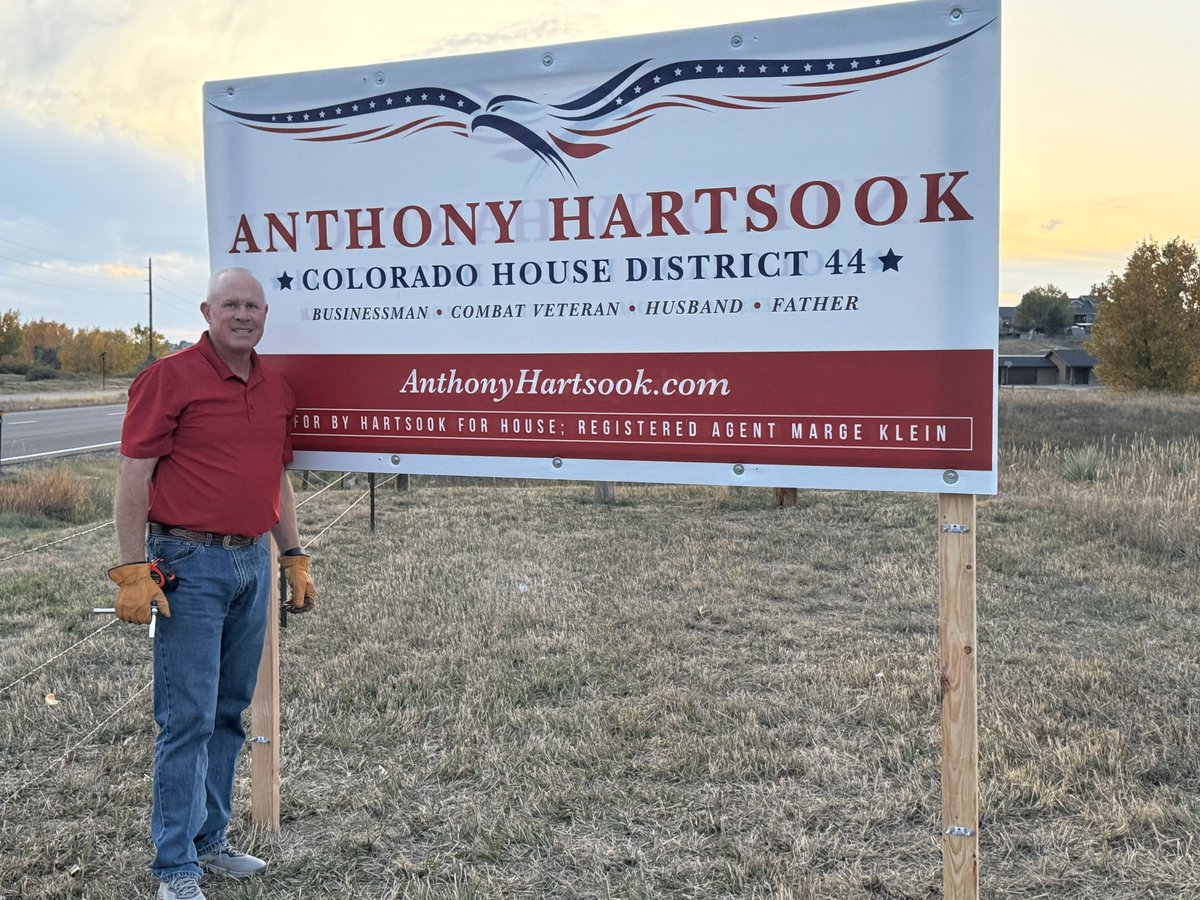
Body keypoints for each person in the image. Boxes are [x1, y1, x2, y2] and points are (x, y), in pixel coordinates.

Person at [109, 267, 316, 900]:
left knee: (229, 712)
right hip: (187, 563)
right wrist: (133, 569)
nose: (243, 315)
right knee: (188, 718)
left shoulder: (275, 389)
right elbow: (134, 476)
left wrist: (293, 556)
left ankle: (209, 840)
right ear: (207, 311)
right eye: (231, 304)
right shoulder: (168, 379)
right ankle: (174, 866)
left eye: (253, 306)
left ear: (265, 315)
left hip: (252, 561)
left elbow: (274, 478)